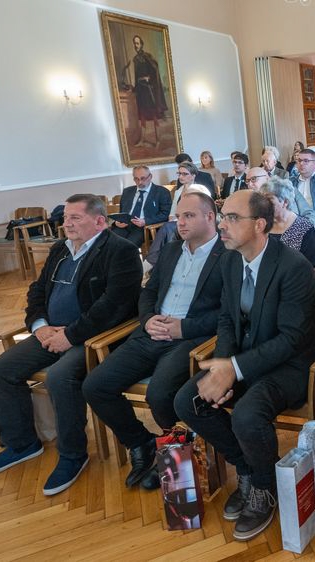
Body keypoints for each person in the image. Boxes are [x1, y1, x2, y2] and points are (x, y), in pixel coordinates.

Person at [174, 190, 315, 542]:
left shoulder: (293, 267)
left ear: (259, 225)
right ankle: (248, 468)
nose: (221, 225)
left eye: (231, 218)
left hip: (290, 366)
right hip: (245, 357)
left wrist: (233, 369)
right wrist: (222, 365)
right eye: (222, 216)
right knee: (187, 401)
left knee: (247, 415)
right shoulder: (230, 260)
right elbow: (227, 319)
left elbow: (291, 340)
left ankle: (264, 488)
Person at [0, 195, 142, 495]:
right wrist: (39, 326)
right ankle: (22, 444)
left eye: (75, 218)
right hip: (50, 332)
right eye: (65, 217)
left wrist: (70, 335)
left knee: (60, 376)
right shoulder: (59, 249)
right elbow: (37, 292)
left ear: (100, 221)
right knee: (0, 369)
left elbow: (113, 307)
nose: (66, 224)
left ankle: (72, 455)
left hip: (92, 338)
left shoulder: (121, 251)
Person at [83, 191, 224, 490]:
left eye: (188, 216)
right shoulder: (173, 250)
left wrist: (182, 328)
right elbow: (148, 291)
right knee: (95, 386)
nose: (180, 222)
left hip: (189, 339)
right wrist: (148, 319)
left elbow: (228, 312)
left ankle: (178, 460)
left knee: (159, 395)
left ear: (210, 217)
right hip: (151, 332)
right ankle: (144, 443)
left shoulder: (228, 254)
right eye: (178, 216)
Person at [260, 178, 315, 268]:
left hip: (294, 279)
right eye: (263, 200)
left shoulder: (304, 227)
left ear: (285, 202)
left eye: (269, 200)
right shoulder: (261, 226)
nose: (264, 204)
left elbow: (312, 267)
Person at [110, 165, 171, 247]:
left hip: (144, 227)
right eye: (136, 179)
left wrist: (145, 221)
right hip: (124, 225)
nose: (140, 182)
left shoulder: (161, 192)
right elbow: (122, 212)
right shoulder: (127, 191)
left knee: (128, 246)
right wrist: (117, 222)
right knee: (109, 243)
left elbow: (165, 214)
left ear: (150, 177)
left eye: (143, 178)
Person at [126, 35, 167, 148]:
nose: (136, 45)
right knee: (142, 116)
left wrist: (150, 78)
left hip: (149, 90)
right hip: (141, 90)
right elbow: (136, 76)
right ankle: (142, 140)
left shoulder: (148, 57)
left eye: (138, 43)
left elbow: (155, 69)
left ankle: (157, 140)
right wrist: (134, 87)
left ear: (141, 44)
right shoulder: (135, 59)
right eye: (134, 43)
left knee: (154, 116)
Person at [248, 164, 315, 225]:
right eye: (247, 181)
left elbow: (310, 215)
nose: (249, 184)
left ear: (267, 177)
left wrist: (299, 231)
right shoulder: (250, 202)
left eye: (253, 179)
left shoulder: (289, 190)